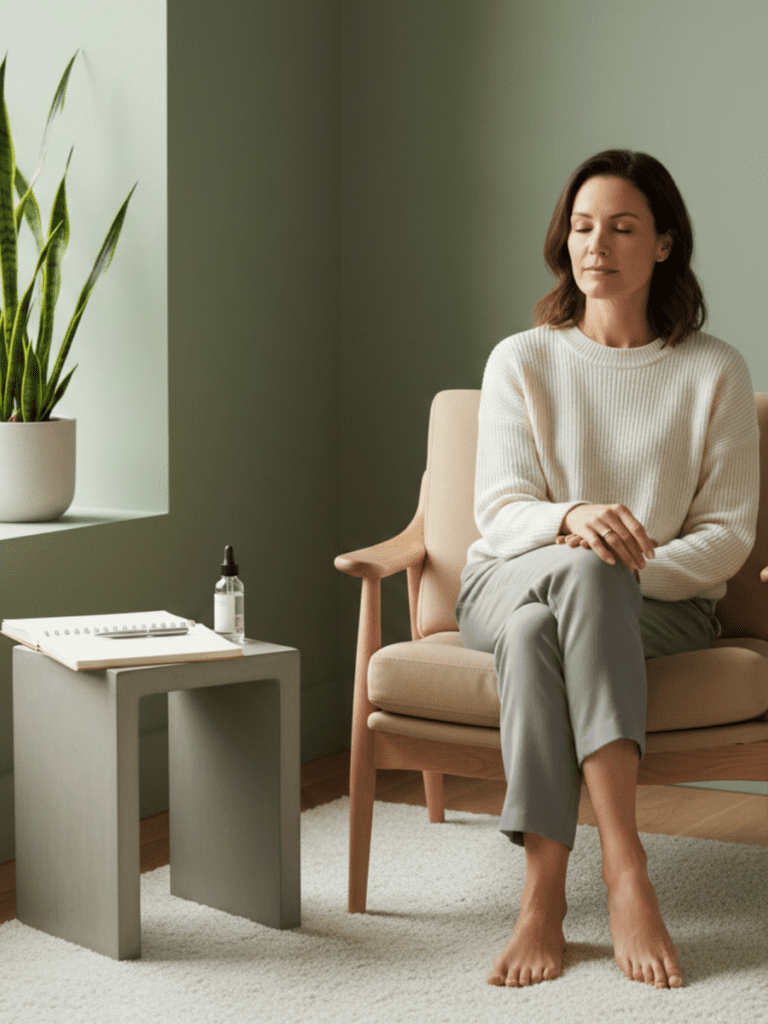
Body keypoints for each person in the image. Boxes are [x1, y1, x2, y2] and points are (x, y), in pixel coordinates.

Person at [454, 149, 760, 990]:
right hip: (505, 576)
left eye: (623, 227)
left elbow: (727, 537)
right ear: (565, 241)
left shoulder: (714, 370)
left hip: (659, 606)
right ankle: (627, 870)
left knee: (545, 626)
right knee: (563, 585)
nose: (598, 244)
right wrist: (573, 518)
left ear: (664, 244)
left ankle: (543, 897)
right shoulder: (521, 359)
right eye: (583, 226)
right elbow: (500, 513)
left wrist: (618, 567)